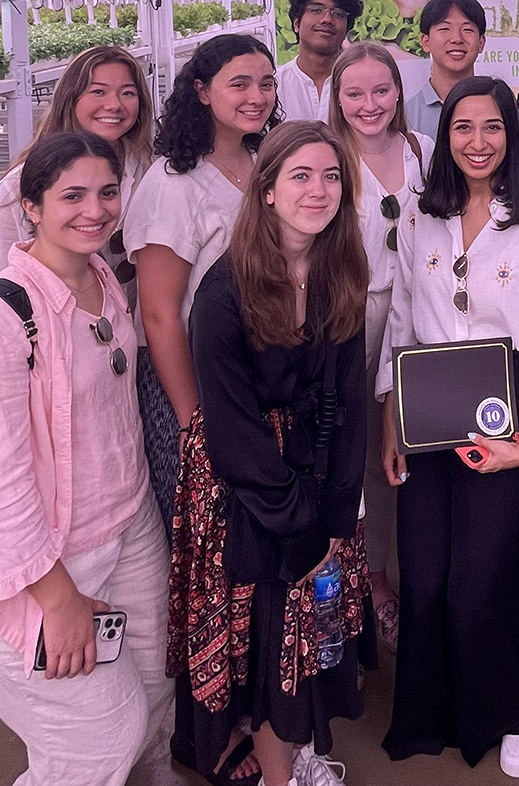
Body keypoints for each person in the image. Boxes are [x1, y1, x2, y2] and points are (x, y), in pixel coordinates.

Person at [0, 131, 172, 786]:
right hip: (50, 563)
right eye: (72, 196)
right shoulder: (0, 320)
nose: (94, 210)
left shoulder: (102, 280)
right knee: (99, 737)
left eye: (107, 192)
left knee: (152, 694)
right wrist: (58, 599)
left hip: (130, 528)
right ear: (30, 205)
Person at [378, 76, 519, 777]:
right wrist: (390, 417)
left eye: (492, 127)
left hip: (509, 402)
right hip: (429, 401)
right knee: (427, 575)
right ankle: (433, 713)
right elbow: (402, 315)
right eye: (463, 128)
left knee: (483, 578)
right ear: (445, 136)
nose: (478, 142)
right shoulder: (418, 216)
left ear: (511, 135)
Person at [171, 122, 370, 786]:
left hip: (312, 483)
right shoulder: (225, 293)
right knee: (264, 637)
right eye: (302, 176)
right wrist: (304, 529)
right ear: (267, 191)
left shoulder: (340, 273)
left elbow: (346, 402)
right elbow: (235, 439)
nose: (319, 190)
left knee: (307, 631)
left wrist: (339, 519)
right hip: (249, 494)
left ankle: (294, 753)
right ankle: (279, 775)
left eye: (332, 176)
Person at [126, 34, 279, 532]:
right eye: (239, 84)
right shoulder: (175, 183)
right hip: (194, 382)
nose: (256, 96)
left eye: (266, 83)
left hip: (254, 376)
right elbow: (159, 314)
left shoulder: (261, 162)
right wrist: (194, 420)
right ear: (202, 91)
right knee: (208, 533)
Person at [328, 41, 435, 648]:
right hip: (350, 316)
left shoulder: (418, 148)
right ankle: (369, 582)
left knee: (408, 446)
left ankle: (404, 568)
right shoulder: (329, 157)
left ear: (399, 92)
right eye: (355, 93)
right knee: (358, 451)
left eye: (380, 91)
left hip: (415, 314)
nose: (370, 105)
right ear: (337, 99)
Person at [0, 45, 152, 279]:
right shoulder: (16, 187)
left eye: (127, 93)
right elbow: (0, 278)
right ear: (70, 99)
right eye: (98, 92)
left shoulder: (150, 171)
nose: (115, 105)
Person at [276, 0, 362, 123]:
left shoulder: (361, 83)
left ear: (346, 29)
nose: (327, 19)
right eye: (316, 10)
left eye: (338, 13)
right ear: (296, 23)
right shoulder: (276, 86)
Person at [405, 0, 487, 136]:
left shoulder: (500, 109)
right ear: (425, 41)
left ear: (481, 43)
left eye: (467, 29)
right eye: (444, 29)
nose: (456, 38)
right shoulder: (406, 117)